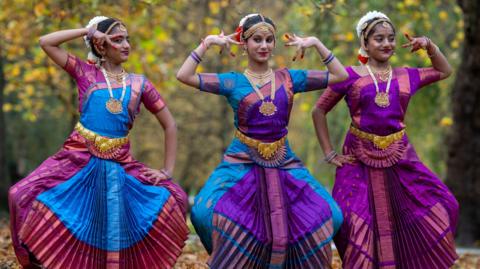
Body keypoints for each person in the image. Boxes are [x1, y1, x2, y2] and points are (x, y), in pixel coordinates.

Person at [9, 16, 188, 269]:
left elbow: (170, 124)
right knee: (20, 194)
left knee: (175, 197)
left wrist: (166, 170)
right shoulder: (84, 72)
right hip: (77, 158)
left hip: (120, 164)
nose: (126, 44)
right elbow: (46, 42)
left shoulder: (140, 84)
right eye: (117, 40)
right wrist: (88, 30)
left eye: (127, 39)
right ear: (101, 46)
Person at [176, 13, 348, 268]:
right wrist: (208, 43)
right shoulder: (233, 81)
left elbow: (339, 75)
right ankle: (238, 259)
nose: (264, 45)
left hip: (284, 160)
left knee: (331, 215)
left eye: (269, 40)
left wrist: (315, 43)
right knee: (202, 212)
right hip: (241, 160)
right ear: (244, 44)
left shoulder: (289, 79)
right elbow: (184, 75)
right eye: (257, 39)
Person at [312, 11, 459, 268]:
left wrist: (430, 46)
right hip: (357, 157)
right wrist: (329, 152)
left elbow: (444, 70)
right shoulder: (348, 76)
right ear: (365, 43)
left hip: (401, 156)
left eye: (390, 38)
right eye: (379, 38)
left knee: (445, 203)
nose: (387, 43)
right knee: (350, 220)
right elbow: (318, 111)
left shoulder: (406, 76)